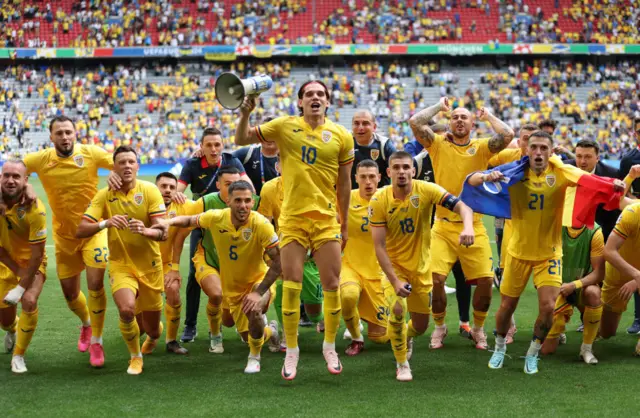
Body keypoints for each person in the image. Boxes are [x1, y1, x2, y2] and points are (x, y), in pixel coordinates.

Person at [470, 131, 624, 374]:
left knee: (547, 307)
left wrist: (611, 185)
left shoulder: (561, 172)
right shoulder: (514, 171)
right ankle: (499, 347)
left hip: (549, 253)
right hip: (518, 252)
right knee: (507, 307)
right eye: (534, 148)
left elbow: (588, 180)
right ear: (527, 150)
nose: (539, 152)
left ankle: (532, 353)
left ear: (552, 151)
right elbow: (472, 181)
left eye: (544, 148)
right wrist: (489, 175)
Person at [235, 80, 354, 380]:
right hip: (292, 219)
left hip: (326, 218)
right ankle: (292, 351)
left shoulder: (342, 135)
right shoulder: (285, 126)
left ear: (328, 101)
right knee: (292, 281)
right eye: (309, 94)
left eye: (320, 94)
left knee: (331, 282)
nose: (315, 98)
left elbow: (344, 184)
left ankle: (330, 345)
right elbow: (241, 139)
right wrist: (245, 114)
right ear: (300, 102)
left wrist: (345, 223)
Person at [409, 97, 514, 350]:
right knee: (435, 279)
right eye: (454, 117)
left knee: (486, 283)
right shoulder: (437, 144)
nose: (458, 120)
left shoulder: (481, 147)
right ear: (449, 123)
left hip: (475, 225)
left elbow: (508, 134)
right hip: (443, 225)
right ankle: (440, 327)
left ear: (471, 123)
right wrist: (439, 107)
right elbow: (415, 122)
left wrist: (488, 116)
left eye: (464, 117)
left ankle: (477, 328)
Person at [370, 151, 475, 381]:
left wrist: (468, 227)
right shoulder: (379, 199)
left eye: (406, 167)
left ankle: (404, 337)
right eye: (396, 168)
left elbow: (463, 207)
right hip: (394, 269)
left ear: (414, 171)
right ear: (388, 173)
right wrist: (395, 281)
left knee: (419, 326)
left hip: (420, 269)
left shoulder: (427, 190)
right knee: (398, 311)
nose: (401, 172)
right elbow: (378, 246)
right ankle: (402, 364)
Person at [22, 115, 115, 368]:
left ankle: (97, 340)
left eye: (68, 132)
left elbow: (124, 162)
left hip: (94, 230)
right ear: (51, 137)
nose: (65, 137)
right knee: (71, 294)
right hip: (64, 238)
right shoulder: (41, 159)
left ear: (76, 134)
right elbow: (15, 167)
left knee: (95, 283)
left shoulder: (92, 153)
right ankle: (86, 324)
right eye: (59, 133)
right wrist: (26, 186)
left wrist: (118, 174)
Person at [164, 180, 281, 373]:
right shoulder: (217, 218)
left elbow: (279, 262)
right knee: (241, 330)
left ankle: (254, 357)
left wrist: (259, 292)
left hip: (258, 282)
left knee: (255, 310)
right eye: (238, 200)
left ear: (252, 202)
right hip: (232, 288)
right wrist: (168, 222)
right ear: (228, 201)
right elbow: (189, 220)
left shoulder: (261, 224)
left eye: (247, 201)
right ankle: (272, 331)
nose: (243, 205)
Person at [77, 145, 168, 375]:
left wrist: (146, 230)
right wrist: (105, 223)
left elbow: (163, 232)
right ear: (114, 167)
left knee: (153, 330)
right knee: (127, 310)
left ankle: (153, 333)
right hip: (121, 265)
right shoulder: (104, 194)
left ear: (137, 166)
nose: (127, 166)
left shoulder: (150, 191)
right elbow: (81, 228)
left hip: (150, 266)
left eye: (131, 162)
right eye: (122, 162)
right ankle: (135, 357)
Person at [168, 166, 258, 354]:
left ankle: (264, 327)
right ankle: (215, 335)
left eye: (236, 183)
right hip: (208, 258)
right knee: (216, 295)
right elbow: (181, 233)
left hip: (236, 266)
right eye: (228, 184)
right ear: (217, 185)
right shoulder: (206, 202)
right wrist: (174, 267)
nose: (233, 188)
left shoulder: (250, 203)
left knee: (229, 319)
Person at [177, 127, 249, 343]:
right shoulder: (192, 164)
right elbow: (179, 190)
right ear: (201, 146)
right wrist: (178, 197)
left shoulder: (232, 162)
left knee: (237, 270)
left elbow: (248, 188)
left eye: (217, 144)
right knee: (193, 274)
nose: (213, 149)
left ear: (222, 145)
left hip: (228, 221)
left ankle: (238, 318)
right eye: (208, 145)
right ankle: (190, 325)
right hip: (202, 222)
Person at [412, 123, 471, 337]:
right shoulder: (418, 162)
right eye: (430, 138)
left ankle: (464, 321)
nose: (434, 142)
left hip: (457, 226)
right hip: (428, 230)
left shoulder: (459, 157)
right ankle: (436, 325)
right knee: (431, 278)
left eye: (439, 138)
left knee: (463, 276)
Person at [259, 159, 324, 351]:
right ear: (278, 166)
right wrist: (269, 251)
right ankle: (289, 335)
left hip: (309, 251)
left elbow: (320, 219)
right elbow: (265, 223)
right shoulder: (270, 189)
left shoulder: (312, 186)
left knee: (314, 310)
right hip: (282, 248)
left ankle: (320, 318)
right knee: (282, 290)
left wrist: (313, 248)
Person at [488, 123, 539, 343]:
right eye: (524, 138)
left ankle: (555, 325)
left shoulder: (551, 163)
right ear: (519, 141)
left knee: (544, 280)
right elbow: (483, 167)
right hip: (509, 222)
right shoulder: (507, 156)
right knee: (507, 272)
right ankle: (510, 325)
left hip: (541, 226)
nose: (526, 143)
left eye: (531, 138)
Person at [0, 160, 47, 373]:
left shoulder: (35, 209)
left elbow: (38, 255)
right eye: (6, 175)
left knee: (28, 300)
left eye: (17, 177)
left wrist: (22, 284)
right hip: (4, 261)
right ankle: (11, 329)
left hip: (31, 262)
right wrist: (15, 270)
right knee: (5, 320)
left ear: (26, 180)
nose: (10, 180)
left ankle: (19, 355)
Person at [340, 160, 389, 356]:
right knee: (348, 295)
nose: (368, 182)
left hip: (379, 272)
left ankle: (402, 328)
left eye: (371, 177)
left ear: (379, 177)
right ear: (356, 179)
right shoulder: (345, 200)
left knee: (380, 338)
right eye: (363, 177)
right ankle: (356, 338)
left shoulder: (388, 199)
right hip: (351, 265)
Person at [540, 223, 605, 364]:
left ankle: (586, 349)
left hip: (582, 286)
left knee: (594, 293)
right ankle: (559, 330)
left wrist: (575, 285)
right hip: (559, 288)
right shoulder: (556, 226)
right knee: (546, 350)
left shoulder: (595, 232)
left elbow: (599, 273)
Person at [154, 172, 202, 355]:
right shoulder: (143, 203)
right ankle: (153, 329)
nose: (167, 190)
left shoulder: (182, 206)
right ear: (154, 188)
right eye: (163, 186)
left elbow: (205, 208)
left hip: (166, 264)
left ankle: (171, 341)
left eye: (172, 187)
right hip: (142, 264)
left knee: (173, 290)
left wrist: (174, 268)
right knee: (145, 324)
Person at [618, 118, 640, 334]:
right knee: (637, 264)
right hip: (636, 214)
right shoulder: (629, 160)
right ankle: (638, 317)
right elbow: (622, 191)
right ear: (635, 133)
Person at [232, 116, 279, 195]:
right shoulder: (248, 154)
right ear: (258, 135)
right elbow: (225, 160)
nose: (268, 137)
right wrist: (242, 175)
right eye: (265, 133)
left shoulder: (289, 156)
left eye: (273, 133)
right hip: (254, 205)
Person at [351, 109, 397, 188]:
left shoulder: (384, 145)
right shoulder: (345, 144)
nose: (360, 127)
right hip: (352, 198)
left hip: (379, 197)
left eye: (365, 123)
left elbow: (398, 171)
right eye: (356, 123)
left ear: (374, 127)